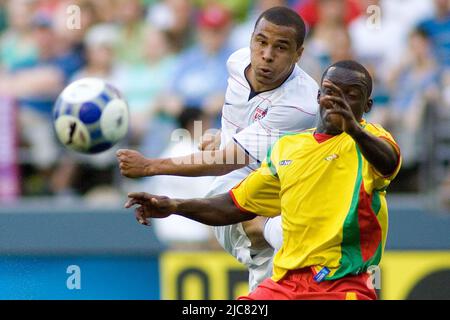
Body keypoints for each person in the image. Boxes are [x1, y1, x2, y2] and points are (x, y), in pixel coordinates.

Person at [124, 60, 402, 300]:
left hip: (341, 285)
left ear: (367, 105)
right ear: (318, 96)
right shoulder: (289, 148)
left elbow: (388, 162)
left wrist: (354, 129)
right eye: (330, 92)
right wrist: (174, 206)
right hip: (285, 284)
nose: (338, 101)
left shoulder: (373, 141)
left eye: (351, 95)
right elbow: (234, 205)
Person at [117, 6, 319, 291]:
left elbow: (230, 159)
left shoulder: (301, 104)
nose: (267, 54)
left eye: (281, 47)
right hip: (231, 198)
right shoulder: (236, 62)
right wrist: (223, 136)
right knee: (270, 227)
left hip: (279, 196)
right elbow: (240, 136)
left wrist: (150, 166)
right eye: (261, 42)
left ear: (298, 54)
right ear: (250, 39)